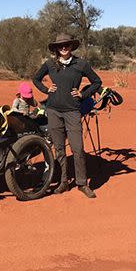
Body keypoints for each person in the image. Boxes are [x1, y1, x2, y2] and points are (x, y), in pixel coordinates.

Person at [33, 33, 102, 198]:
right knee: (59, 149)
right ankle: (63, 181)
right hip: (53, 110)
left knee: (77, 148)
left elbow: (97, 82)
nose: (64, 48)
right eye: (60, 46)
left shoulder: (81, 64)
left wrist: (83, 95)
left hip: (72, 111)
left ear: (71, 46)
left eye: (67, 45)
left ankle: (82, 183)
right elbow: (36, 79)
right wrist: (46, 90)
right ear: (56, 48)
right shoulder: (50, 64)